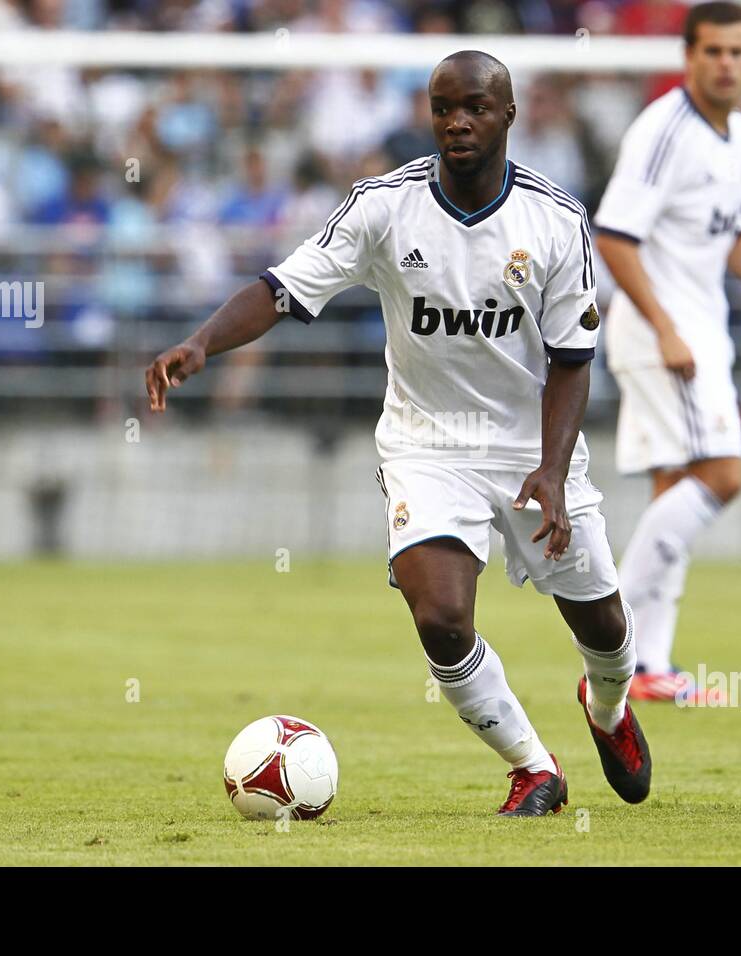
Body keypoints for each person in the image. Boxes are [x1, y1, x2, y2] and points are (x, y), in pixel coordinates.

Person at [146, 51, 651, 816]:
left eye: (476, 106)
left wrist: (551, 472)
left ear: (508, 115)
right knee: (441, 618)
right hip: (426, 444)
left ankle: (606, 708)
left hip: (531, 446)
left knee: (604, 624)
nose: (458, 121)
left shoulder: (555, 219)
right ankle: (533, 767)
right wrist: (202, 345)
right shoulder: (384, 206)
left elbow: (574, 362)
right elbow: (283, 289)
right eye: (444, 107)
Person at [593, 2, 741, 701]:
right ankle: (608, 636)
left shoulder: (739, 134)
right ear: (688, 56)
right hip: (667, 336)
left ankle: (650, 667)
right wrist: (663, 326)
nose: (726, 64)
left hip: (697, 330)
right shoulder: (663, 131)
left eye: (737, 52)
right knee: (724, 475)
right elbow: (614, 237)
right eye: (713, 51)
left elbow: (731, 233)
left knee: (676, 488)